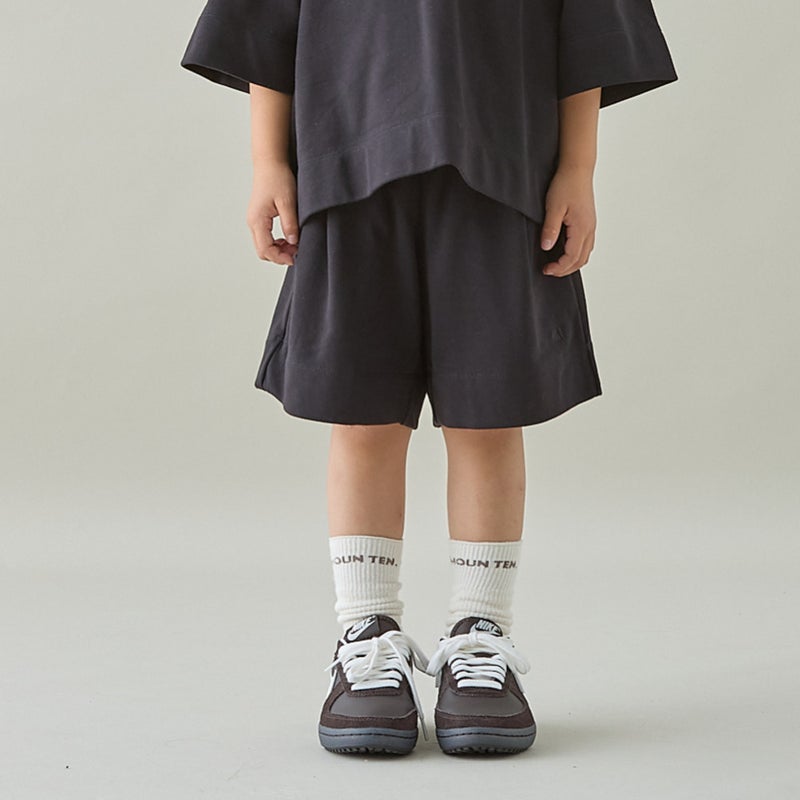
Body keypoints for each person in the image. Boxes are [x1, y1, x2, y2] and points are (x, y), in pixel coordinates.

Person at [180, 0, 678, 756]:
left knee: (488, 412)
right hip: (346, 157)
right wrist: (267, 161)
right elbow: (263, 22)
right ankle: (366, 637)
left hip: (504, 161)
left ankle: (482, 637)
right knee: (362, 414)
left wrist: (578, 168)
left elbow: (587, 25)